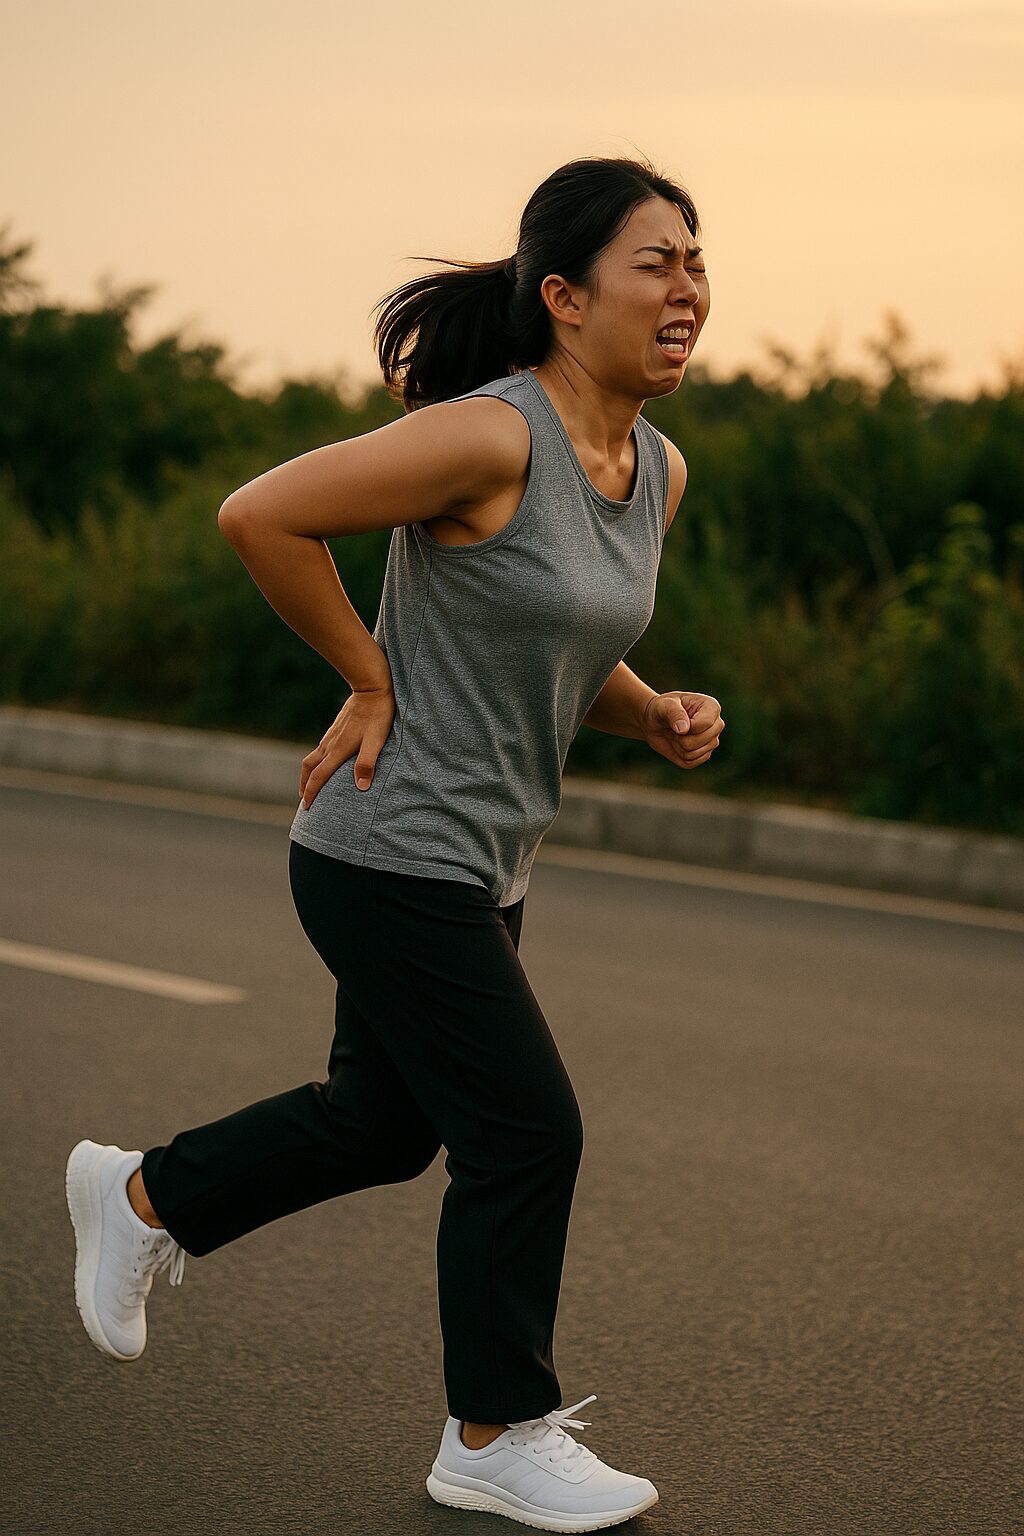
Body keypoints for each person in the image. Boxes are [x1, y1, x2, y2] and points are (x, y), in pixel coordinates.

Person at [65, 152, 723, 1530]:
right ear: (563, 295)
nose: (688, 288)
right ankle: (495, 1430)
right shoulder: (492, 436)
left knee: (383, 1123)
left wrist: (650, 708)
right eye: (655, 262)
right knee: (525, 1132)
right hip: (384, 842)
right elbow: (264, 515)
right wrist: (370, 676)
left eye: (697, 260)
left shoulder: (653, 469)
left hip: (483, 856)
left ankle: (141, 1197)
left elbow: (550, 639)